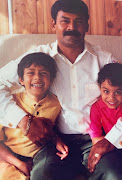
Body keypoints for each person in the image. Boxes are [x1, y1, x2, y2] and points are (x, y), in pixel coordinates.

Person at [0, 0, 122, 179]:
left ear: (87, 26)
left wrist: (112, 139)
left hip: (96, 140)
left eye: (78, 21)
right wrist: (22, 120)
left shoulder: (102, 59)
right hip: (55, 141)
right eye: (65, 20)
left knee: (113, 175)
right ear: (54, 24)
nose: (71, 27)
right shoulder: (38, 60)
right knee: (41, 175)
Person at [0, 52, 68, 180]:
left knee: (43, 172)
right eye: (31, 73)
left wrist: (57, 141)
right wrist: (19, 164)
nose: (37, 78)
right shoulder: (8, 104)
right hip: (9, 155)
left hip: (42, 154)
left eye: (43, 73)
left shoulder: (56, 104)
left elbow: (52, 130)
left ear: (51, 80)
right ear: (21, 79)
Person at [88, 63, 122, 180]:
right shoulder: (96, 109)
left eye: (118, 92)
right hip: (115, 151)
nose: (111, 98)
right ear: (100, 88)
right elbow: (96, 138)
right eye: (106, 91)